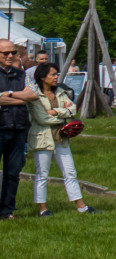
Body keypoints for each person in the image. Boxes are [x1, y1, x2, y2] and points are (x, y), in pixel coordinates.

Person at [26, 63, 92, 216]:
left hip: (61, 139)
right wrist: (63, 118)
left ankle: (81, 206)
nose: (56, 77)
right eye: (53, 74)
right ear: (43, 77)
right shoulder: (35, 95)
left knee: (70, 172)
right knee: (42, 174)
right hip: (43, 139)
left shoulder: (61, 92)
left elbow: (73, 109)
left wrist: (54, 111)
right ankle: (43, 209)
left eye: (56, 74)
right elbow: (42, 119)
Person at [0, 40, 40, 219]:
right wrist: (21, 98)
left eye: (13, 53)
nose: (10, 56)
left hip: (18, 128)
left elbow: (32, 95)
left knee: (13, 172)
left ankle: (7, 210)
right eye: (5, 53)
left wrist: (7, 94)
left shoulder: (21, 74)